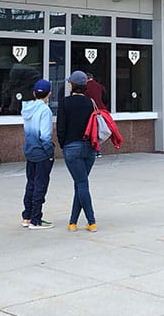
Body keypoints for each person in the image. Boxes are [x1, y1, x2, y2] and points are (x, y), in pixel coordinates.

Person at [56, 70, 98, 232]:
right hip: (89, 148)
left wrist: (63, 145)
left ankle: (91, 221)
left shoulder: (65, 103)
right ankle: (73, 222)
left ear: (72, 85)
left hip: (72, 148)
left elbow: (61, 128)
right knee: (80, 184)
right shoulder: (90, 103)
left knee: (81, 184)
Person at [21, 79, 55, 229]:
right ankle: (36, 219)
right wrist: (50, 152)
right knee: (40, 185)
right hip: (41, 153)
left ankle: (27, 216)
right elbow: (45, 136)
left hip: (29, 151)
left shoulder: (27, 109)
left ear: (34, 93)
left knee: (31, 184)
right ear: (49, 94)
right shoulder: (45, 111)